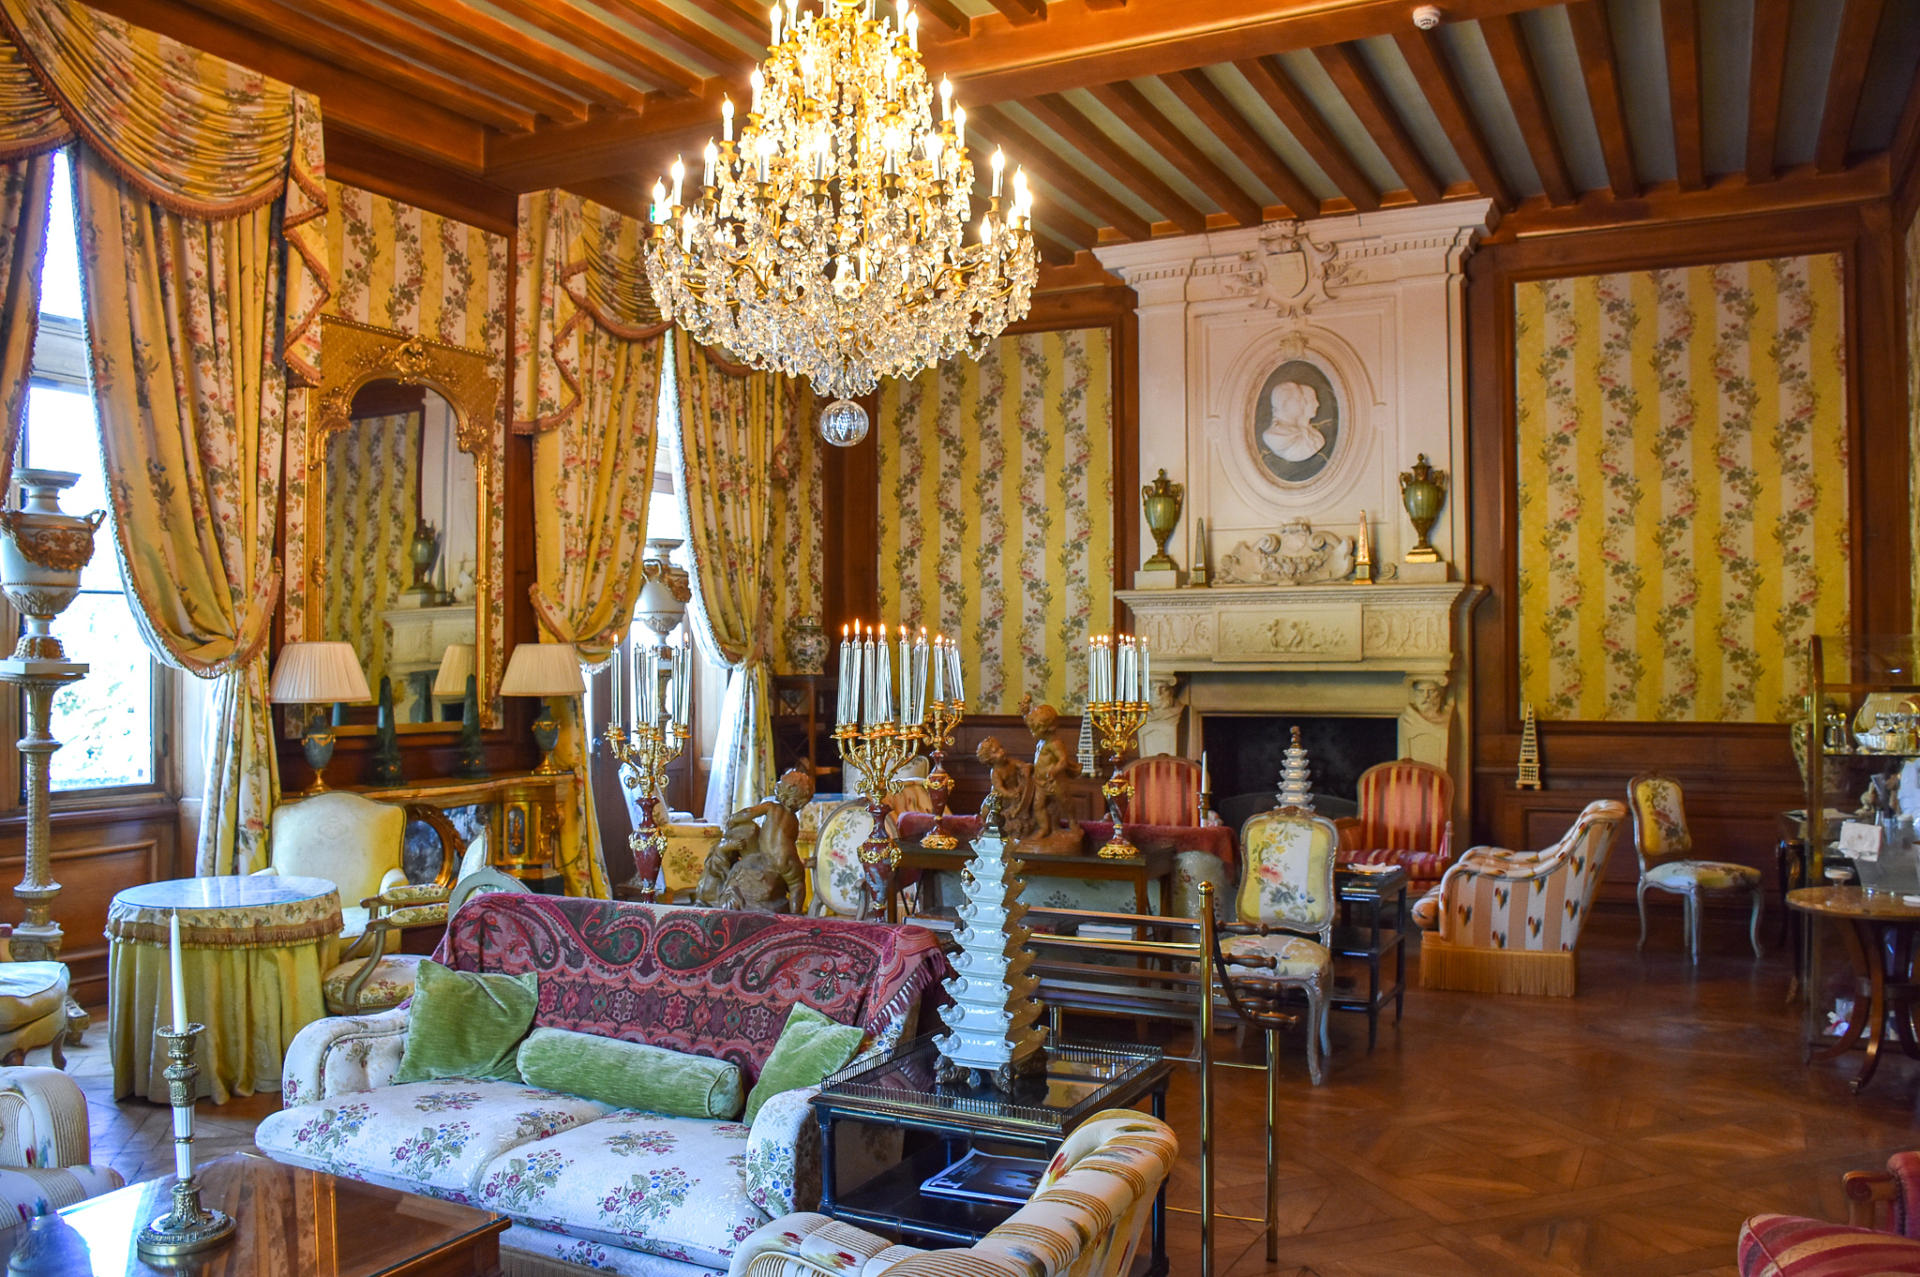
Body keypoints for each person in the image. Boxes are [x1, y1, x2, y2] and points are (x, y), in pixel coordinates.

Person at [1262, 380, 1326, 464]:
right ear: (1285, 403)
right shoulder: (1273, 436)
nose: (1302, 403)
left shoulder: (1311, 433)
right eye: (1299, 399)